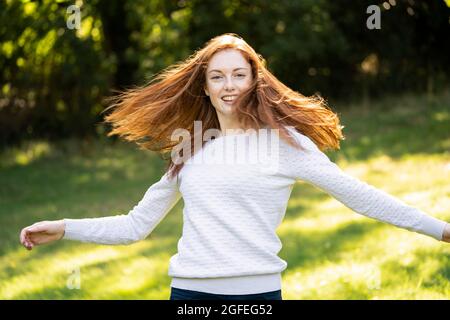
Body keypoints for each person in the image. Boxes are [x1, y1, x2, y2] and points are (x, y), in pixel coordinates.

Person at [19, 33, 450, 300]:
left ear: (254, 80)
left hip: (257, 294)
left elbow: (360, 196)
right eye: (218, 77)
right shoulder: (189, 150)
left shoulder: (285, 145)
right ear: (204, 88)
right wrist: (64, 226)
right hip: (188, 295)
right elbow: (135, 226)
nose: (229, 86)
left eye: (239, 75)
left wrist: (440, 229)